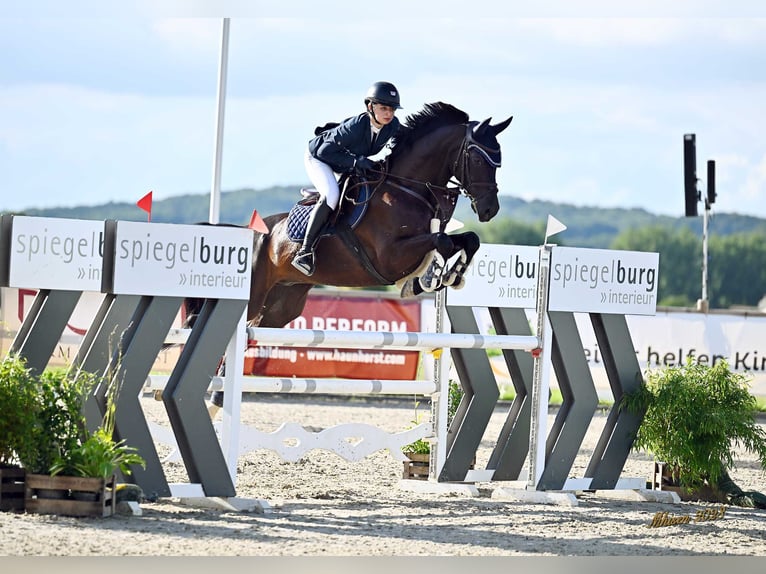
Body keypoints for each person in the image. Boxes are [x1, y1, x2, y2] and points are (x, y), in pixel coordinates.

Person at [291, 81, 403, 276]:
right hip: (319, 158)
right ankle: (305, 252)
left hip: (343, 162)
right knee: (331, 195)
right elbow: (326, 152)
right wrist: (357, 161)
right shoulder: (357, 125)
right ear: (370, 106)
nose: (389, 113)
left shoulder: (392, 125)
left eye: (392, 109)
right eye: (384, 108)